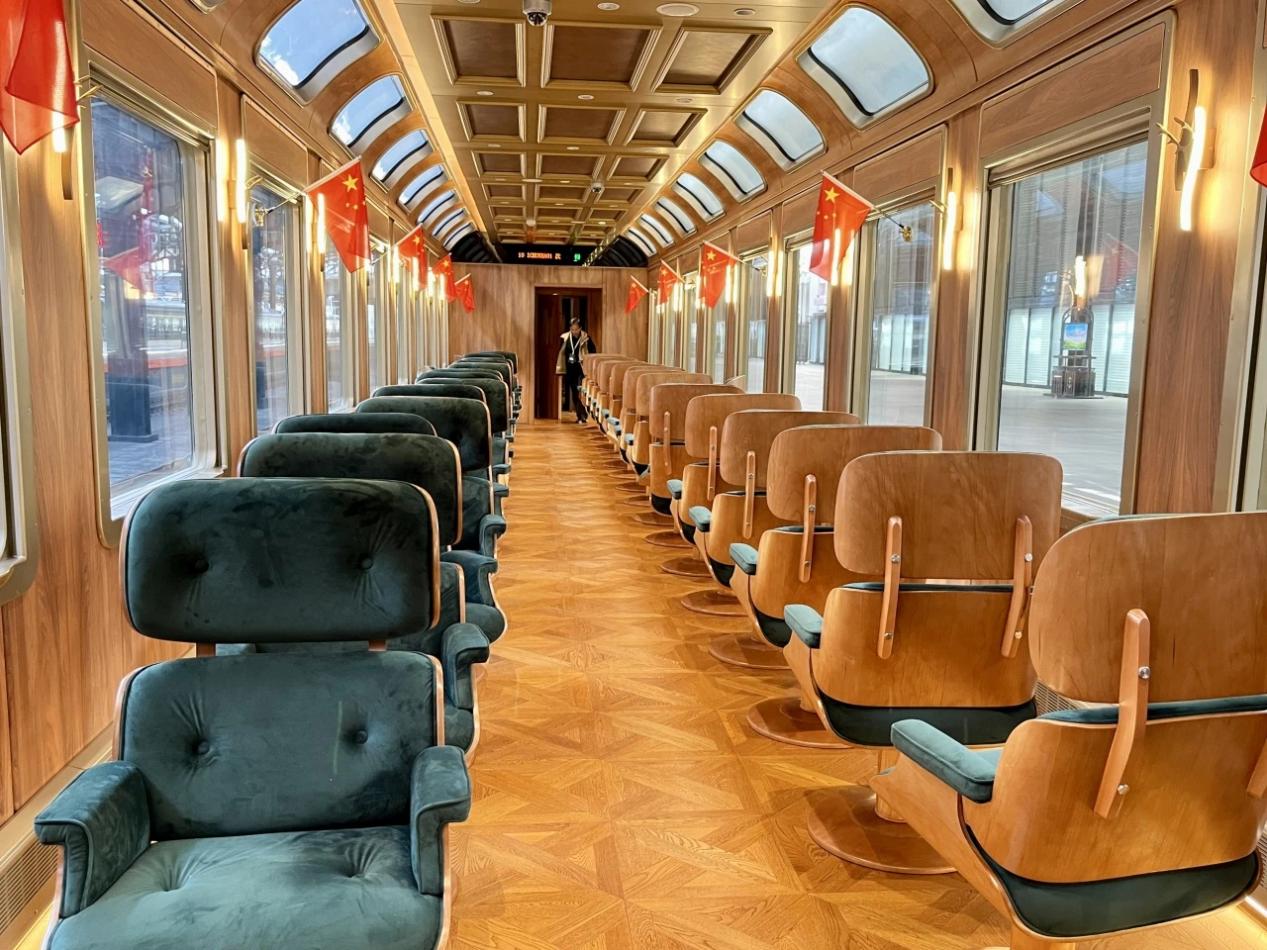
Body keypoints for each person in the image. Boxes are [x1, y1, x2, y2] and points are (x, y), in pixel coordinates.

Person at [556, 317, 596, 423]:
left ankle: (583, 415)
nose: (574, 331)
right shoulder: (565, 338)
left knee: (581, 391)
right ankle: (580, 415)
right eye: (572, 329)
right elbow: (561, 353)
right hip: (570, 368)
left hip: (581, 369)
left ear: (580, 328)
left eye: (576, 329)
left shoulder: (586, 338)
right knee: (574, 392)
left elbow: (593, 352)